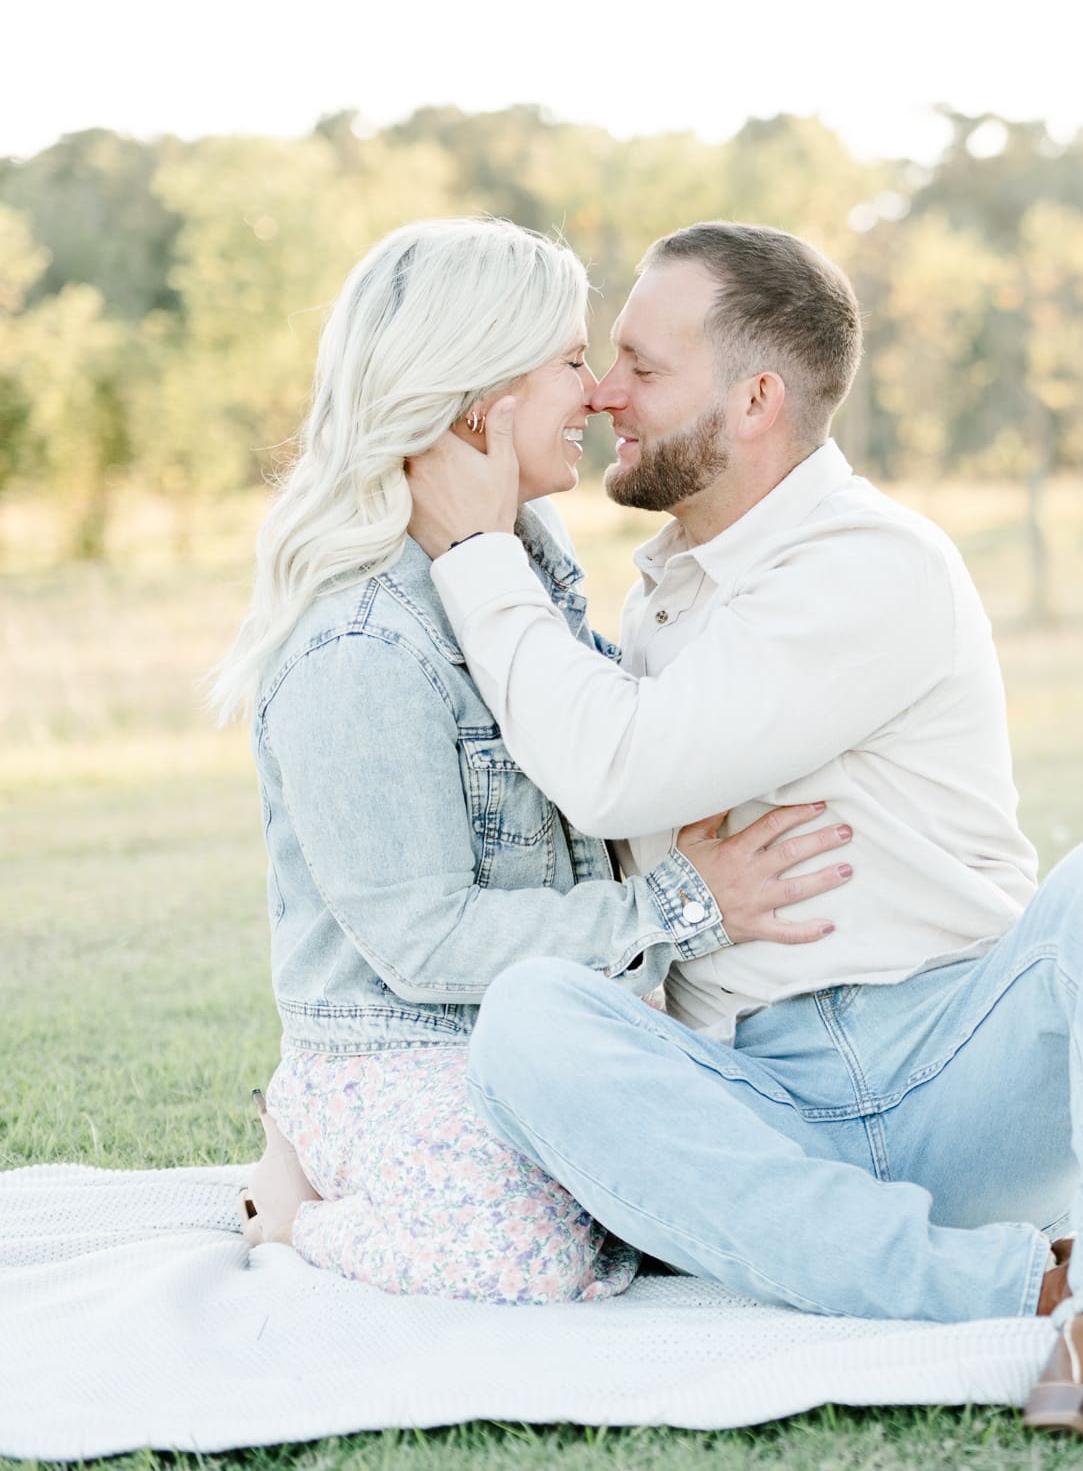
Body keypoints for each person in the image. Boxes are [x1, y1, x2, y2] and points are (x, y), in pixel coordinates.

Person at [405, 221, 1083, 1450]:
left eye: (641, 365)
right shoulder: (674, 586)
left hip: (959, 1073)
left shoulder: (868, 566)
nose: (606, 393)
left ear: (755, 401)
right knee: (531, 1025)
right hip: (757, 1095)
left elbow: (611, 773)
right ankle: (1044, 1296)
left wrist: (472, 550)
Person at [210, 218, 846, 1304]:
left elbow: (599, 743)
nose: (599, 392)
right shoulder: (359, 646)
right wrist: (685, 904)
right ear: (478, 401)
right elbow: (423, 940)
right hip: (402, 1049)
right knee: (535, 1252)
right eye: (569, 360)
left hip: (543, 1033)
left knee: (717, 1194)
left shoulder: (525, 567)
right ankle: (294, 1211)